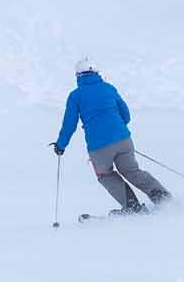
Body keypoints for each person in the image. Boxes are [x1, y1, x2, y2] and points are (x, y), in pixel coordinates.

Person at [54, 61, 169, 214]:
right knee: (131, 170)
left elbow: (70, 124)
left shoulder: (75, 96)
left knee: (105, 175)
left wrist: (61, 145)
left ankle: (132, 207)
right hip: (124, 140)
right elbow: (126, 115)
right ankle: (163, 197)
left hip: (99, 147)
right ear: (96, 72)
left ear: (78, 76)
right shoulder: (109, 88)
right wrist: (117, 131)